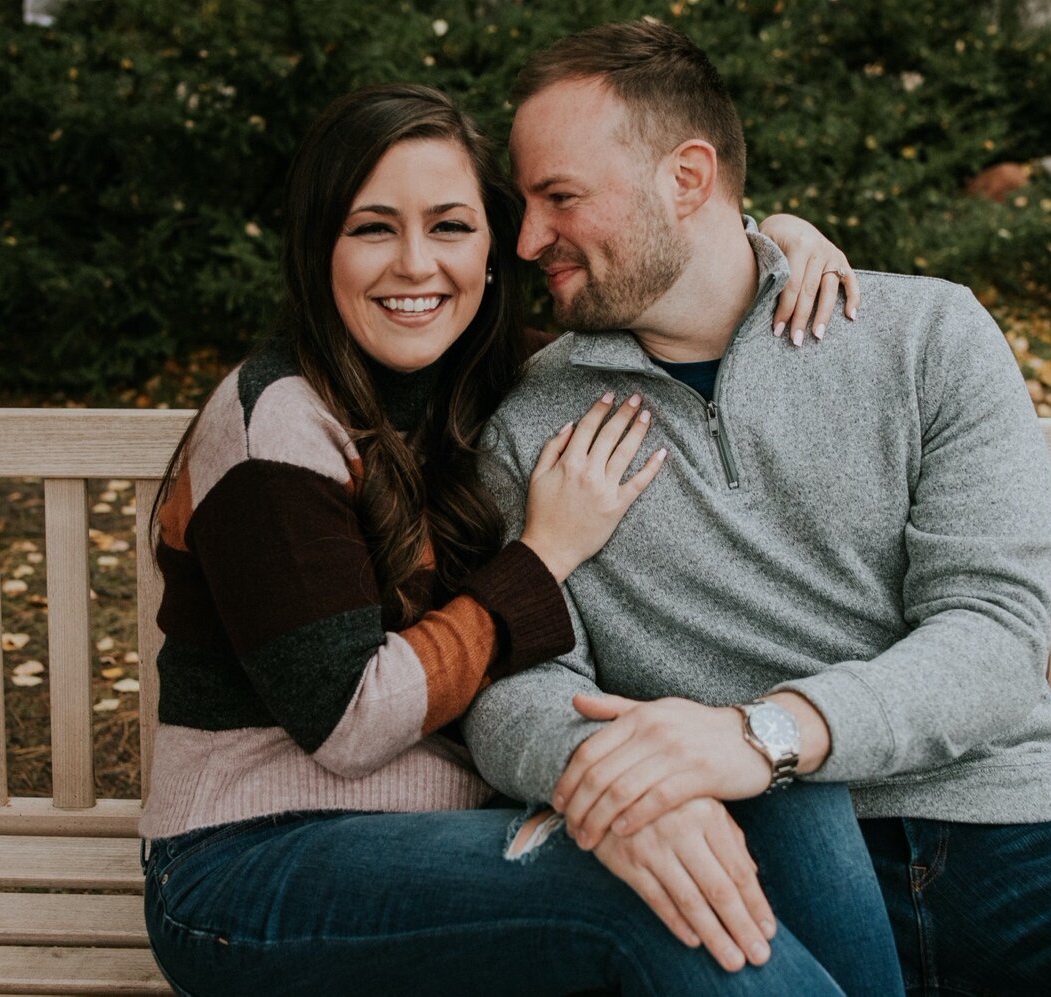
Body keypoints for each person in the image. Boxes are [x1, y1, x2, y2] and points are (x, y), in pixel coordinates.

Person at [464, 19, 1051, 996]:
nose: (525, 239)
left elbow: (991, 635)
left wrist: (763, 731)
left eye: (560, 198)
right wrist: (615, 774)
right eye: (524, 204)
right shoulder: (533, 421)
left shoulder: (925, 336)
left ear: (687, 180)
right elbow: (512, 689)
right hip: (741, 858)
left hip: (1010, 825)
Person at [137, 81, 897, 995]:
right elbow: (348, 719)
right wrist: (543, 556)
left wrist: (778, 241)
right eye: (373, 228)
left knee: (783, 795)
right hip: (249, 868)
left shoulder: (489, 380)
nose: (416, 264)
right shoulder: (277, 424)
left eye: (451, 226)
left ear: (496, 249)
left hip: (444, 839)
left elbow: (680, 287)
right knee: (641, 893)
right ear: (317, 250)